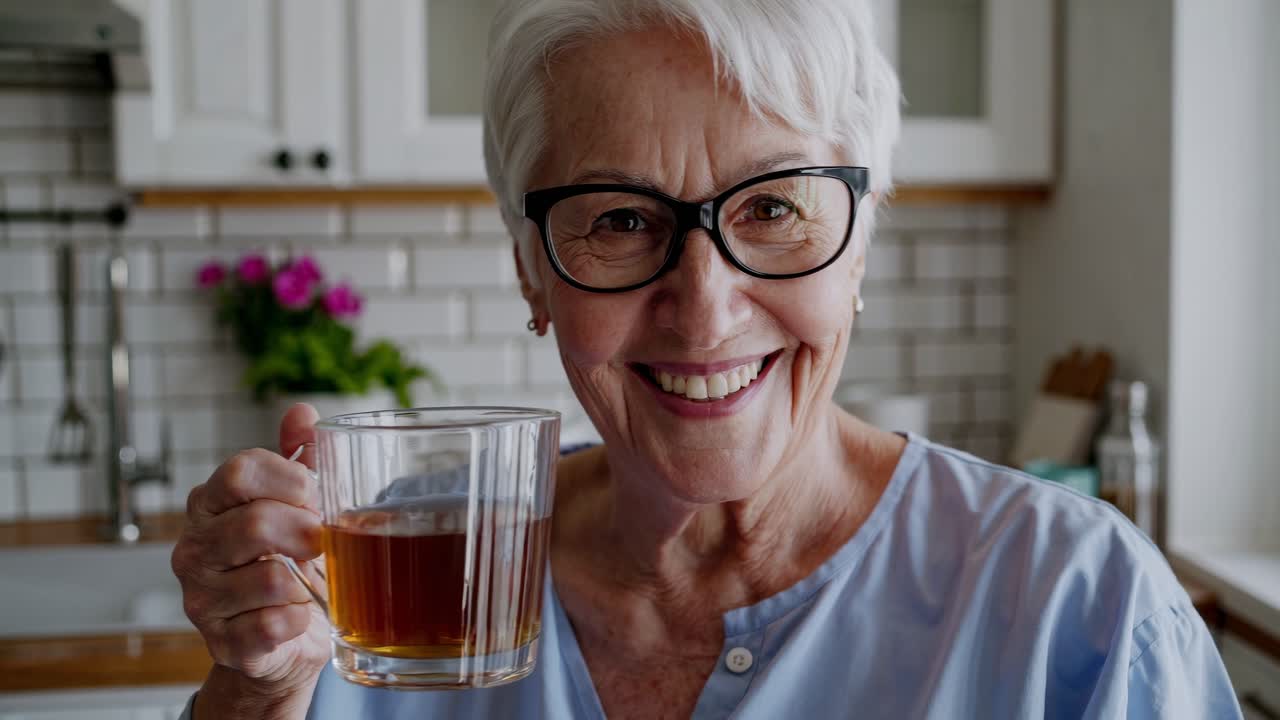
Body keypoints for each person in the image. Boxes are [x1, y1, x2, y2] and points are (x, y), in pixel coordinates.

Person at [171, 1, 1242, 717]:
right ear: (532, 273)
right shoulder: (386, 575)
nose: (703, 310)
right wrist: (255, 695)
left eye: (771, 207)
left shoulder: (1081, 608)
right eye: (620, 219)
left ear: (860, 245)